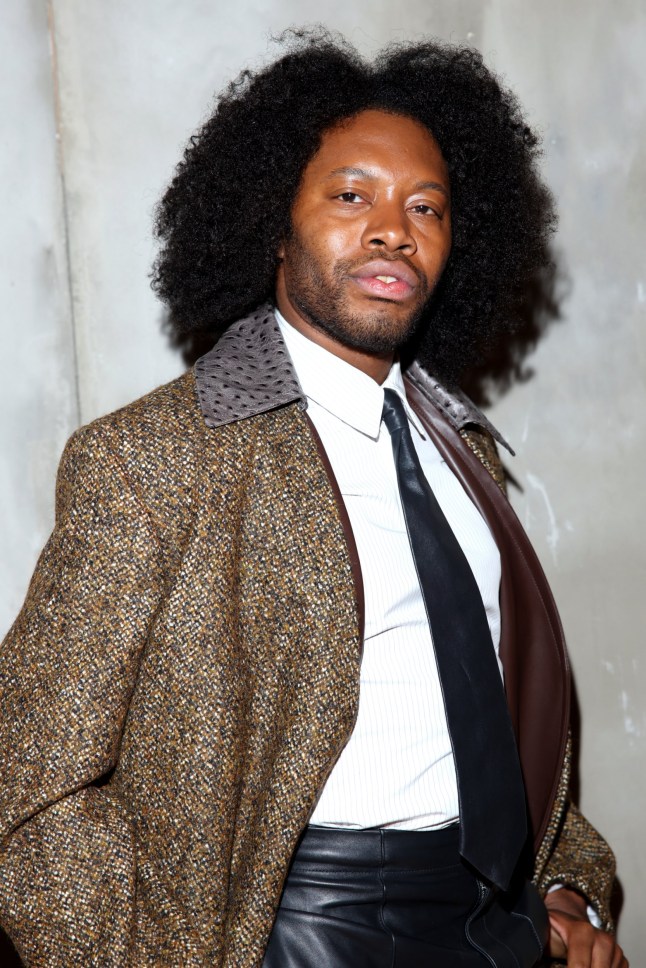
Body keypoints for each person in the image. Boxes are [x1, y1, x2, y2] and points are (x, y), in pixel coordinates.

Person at [0, 28, 628, 968]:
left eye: (428, 206)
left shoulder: (466, 457)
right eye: (350, 196)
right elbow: (32, 778)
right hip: (292, 931)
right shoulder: (155, 458)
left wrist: (564, 884)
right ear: (273, 221)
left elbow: (500, 719)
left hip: (497, 928)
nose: (393, 228)